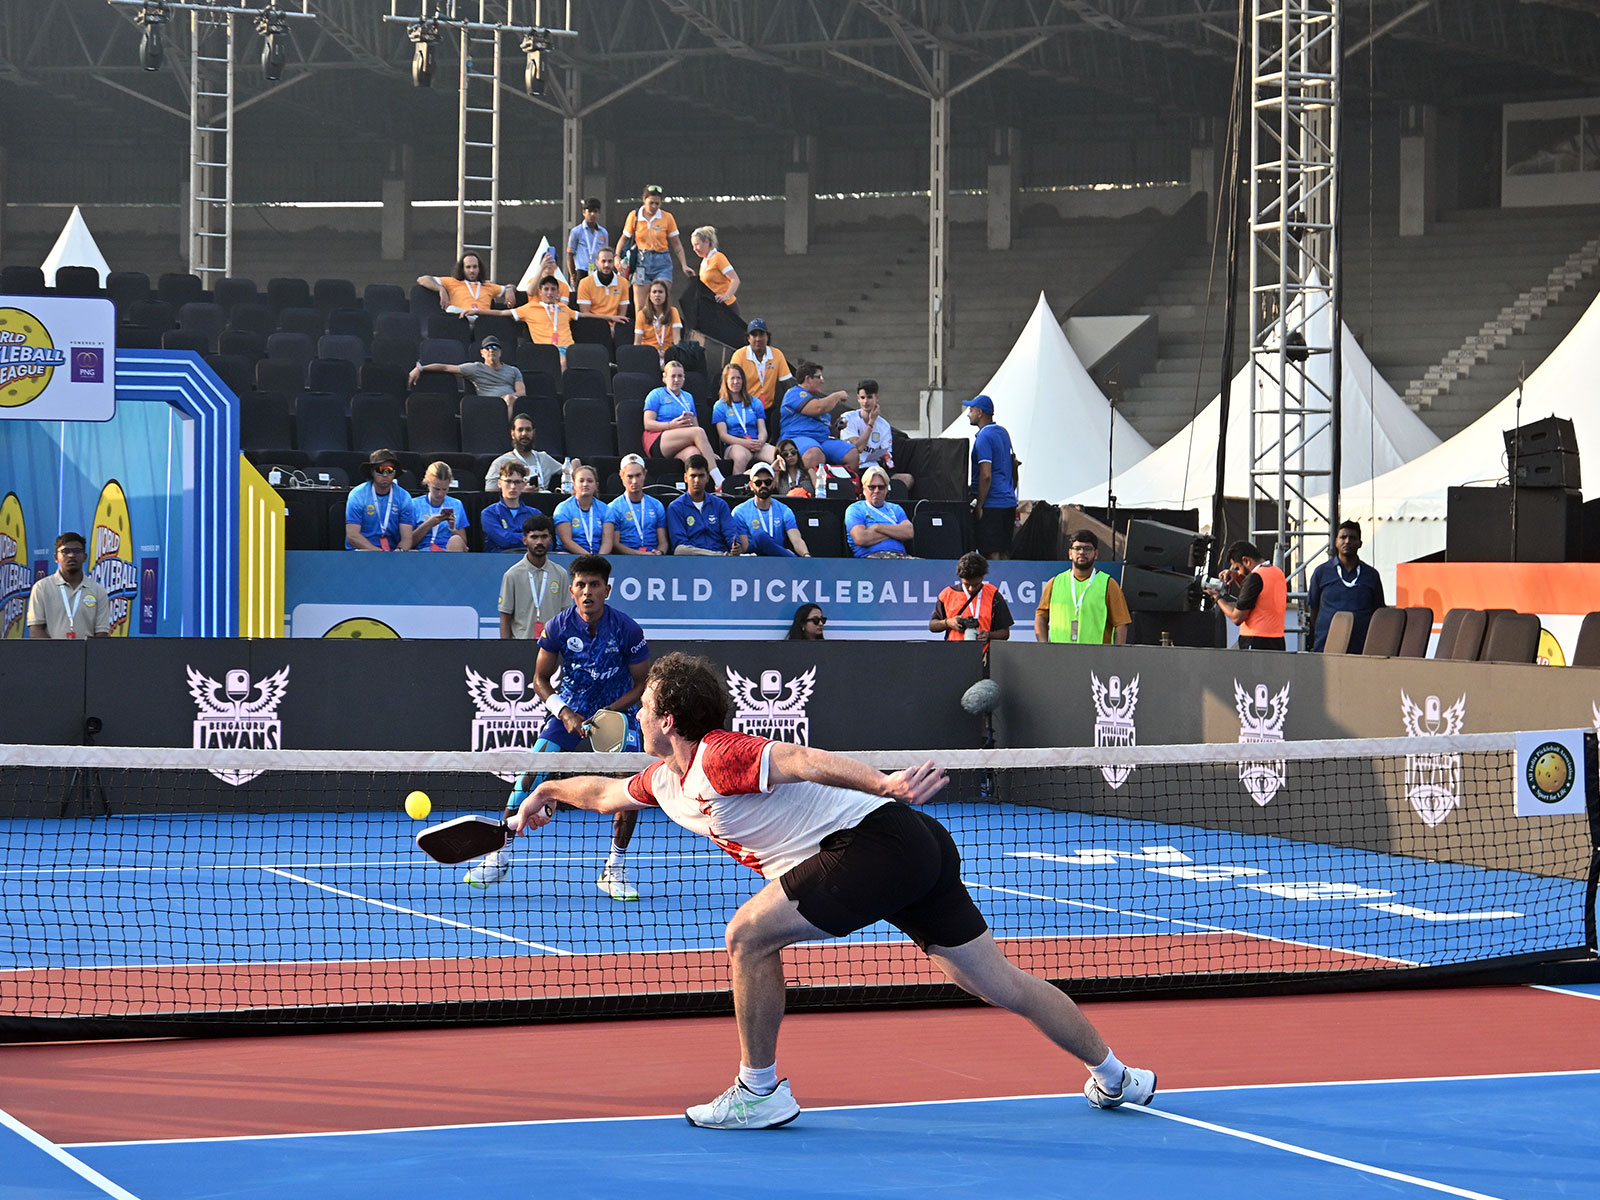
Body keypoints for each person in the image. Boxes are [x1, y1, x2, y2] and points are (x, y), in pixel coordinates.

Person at [506, 652, 1157, 1128]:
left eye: (643, 705)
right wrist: (546, 792)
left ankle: (758, 1092)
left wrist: (883, 783)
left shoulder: (719, 755)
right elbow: (601, 793)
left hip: (874, 842)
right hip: (911, 845)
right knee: (994, 982)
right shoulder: (666, 781)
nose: (636, 711)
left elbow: (799, 758)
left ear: (668, 717)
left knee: (748, 936)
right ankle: (1117, 1076)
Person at [475, 554, 652, 901]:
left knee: (628, 790)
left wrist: (609, 714)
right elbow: (540, 680)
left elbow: (641, 683)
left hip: (617, 713)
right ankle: (500, 853)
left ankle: (614, 867)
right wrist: (565, 713)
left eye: (595, 585)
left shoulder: (628, 629)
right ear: (571, 589)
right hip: (570, 707)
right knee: (530, 774)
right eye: (581, 585)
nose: (588, 592)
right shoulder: (557, 627)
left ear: (607, 590)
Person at [1035, 530, 1132, 645]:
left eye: (1087, 548)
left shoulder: (1109, 584)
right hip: (1059, 657)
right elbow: (1041, 616)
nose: (1082, 552)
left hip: (1097, 658)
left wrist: (1116, 657)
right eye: (1077, 548)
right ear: (1070, 553)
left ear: (1096, 554)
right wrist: (1044, 646)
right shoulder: (1055, 583)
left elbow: (1121, 624)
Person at [1306, 521, 1385, 653]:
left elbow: (1378, 610)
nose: (1347, 541)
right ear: (1336, 542)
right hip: (1326, 643)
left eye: (1352, 538)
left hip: (1361, 645)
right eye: (1343, 537)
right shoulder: (1322, 572)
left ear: (1360, 543)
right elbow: (1314, 608)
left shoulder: (1371, 575)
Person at [645, 359, 725, 488]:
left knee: (694, 454)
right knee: (698, 432)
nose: (676, 379)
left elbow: (695, 425)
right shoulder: (656, 394)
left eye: (680, 376)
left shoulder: (688, 397)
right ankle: (719, 479)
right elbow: (648, 424)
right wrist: (671, 425)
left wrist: (707, 451)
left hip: (682, 441)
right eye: (673, 376)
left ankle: (695, 491)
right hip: (659, 439)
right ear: (664, 378)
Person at [616, 184, 691, 319]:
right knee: (640, 306)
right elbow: (623, 238)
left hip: (662, 261)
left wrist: (684, 265)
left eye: (657, 203)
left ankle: (662, 336)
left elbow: (677, 245)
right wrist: (617, 256)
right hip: (641, 261)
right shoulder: (634, 216)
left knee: (661, 301)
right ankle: (641, 337)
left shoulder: (667, 217)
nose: (654, 207)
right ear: (644, 199)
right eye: (651, 203)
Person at [410, 336, 525, 416]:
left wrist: (507, 398)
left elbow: (521, 393)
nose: (491, 350)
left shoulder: (513, 370)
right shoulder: (475, 368)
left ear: (500, 352)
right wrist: (420, 368)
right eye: (488, 348)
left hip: (511, 405)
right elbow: (445, 367)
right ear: (482, 353)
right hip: (488, 406)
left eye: (495, 348)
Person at [1206, 539, 1287, 651]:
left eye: (1238, 568)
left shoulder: (1255, 578)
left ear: (1246, 560)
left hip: (1255, 640)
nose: (1238, 572)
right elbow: (1257, 594)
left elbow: (1237, 618)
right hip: (1277, 640)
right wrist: (1238, 577)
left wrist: (1217, 597)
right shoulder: (1277, 572)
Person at [26, 532, 110, 639]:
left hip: (86, 654)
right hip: (51, 654)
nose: (71, 555)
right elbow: (35, 629)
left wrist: (86, 654)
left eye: (77, 551)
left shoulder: (98, 590)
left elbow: (101, 632)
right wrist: (57, 653)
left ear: (85, 557)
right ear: (56, 557)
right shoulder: (41, 588)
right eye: (65, 551)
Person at [498, 513, 570, 640]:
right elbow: (505, 616)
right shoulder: (512, 575)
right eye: (534, 537)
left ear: (550, 539)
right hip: (521, 646)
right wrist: (506, 650)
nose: (539, 542)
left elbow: (566, 614)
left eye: (544, 537)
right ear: (525, 540)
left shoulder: (560, 573)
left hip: (553, 646)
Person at [781, 361, 859, 476]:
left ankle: (838, 487)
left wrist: (838, 427)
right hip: (796, 437)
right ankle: (806, 489)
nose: (822, 381)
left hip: (822, 439)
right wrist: (837, 395)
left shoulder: (817, 399)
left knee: (852, 454)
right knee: (814, 453)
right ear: (808, 378)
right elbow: (818, 408)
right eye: (819, 377)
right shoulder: (794, 393)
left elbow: (827, 428)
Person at [964, 394, 1016, 561]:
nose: (968, 414)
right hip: (1008, 501)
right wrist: (1010, 489)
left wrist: (980, 504)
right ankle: (1005, 585)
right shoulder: (1003, 433)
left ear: (979, 412)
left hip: (992, 503)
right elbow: (1014, 464)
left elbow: (986, 475)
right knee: (1004, 550)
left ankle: (992, 585)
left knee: (991, 550)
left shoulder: (984, 437)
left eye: (971, 410)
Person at [680, 225, 747, 348]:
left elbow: (735, 279)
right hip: (714, 309)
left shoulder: (718, 258)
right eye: (693, 246)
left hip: (727, 307)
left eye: (697, 245)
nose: (694, 249)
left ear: (707, 242)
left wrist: (726, 295)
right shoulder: (704, 262)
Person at [842, 380, 913, 495]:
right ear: (858, 398)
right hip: (855, 469)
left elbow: (887, 454)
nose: (865, 402)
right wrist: (871, 423)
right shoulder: (848, 418)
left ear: (877, 398)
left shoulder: (884, 425)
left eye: (869, 397)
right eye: (863, 397)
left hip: (875, 468)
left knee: (907, 479)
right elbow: (858, 447)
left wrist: (887, 461)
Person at [931, 552, 1012, 643]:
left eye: (976, 584)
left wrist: (989, 635)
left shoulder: (994, 595)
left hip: (983, 654)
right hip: (953, 653)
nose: (971, 588)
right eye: (967, 584)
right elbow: (932, 625)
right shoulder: (947, 594)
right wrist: (947, 623)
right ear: (960, 578)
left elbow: (1005, 633)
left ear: (983, 577)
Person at [667, 455, 741, 555]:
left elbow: (731, 532)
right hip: (693, 559)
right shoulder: (675, 507)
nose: (697, 480)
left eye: (701, 476)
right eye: (693, 476)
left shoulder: (720, 505)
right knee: (680, 550)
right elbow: (679, 542)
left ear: (707, 478)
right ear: (685, 478)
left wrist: (735, 545)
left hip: (720, 555)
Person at [730, 319, 795, 433]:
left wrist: (792, 407)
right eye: (754, 335)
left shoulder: (777, 354)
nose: (758, 339)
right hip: (745, 408)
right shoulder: (739, 355)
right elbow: (732, 385)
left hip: (768, 410)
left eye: (761, 334)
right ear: (748, 338)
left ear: (767, 337)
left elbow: (787, 385)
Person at [732, 462, 810, 557]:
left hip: (778, 560)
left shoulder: (784, 510)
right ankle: (793, 560)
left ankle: (794, 560)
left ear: (773, 483)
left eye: (767, 482)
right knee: (760, 537)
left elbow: (796, 539)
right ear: (751, 486)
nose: (763, 485)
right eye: (758, 483)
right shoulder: (740, 511)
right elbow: (744, 548)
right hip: (753, 560)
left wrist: (806, 556)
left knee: (761, 538)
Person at [712, 363, 777, 477]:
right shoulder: (720, 405)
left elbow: (762, 429)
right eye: (732, 378)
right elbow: (723, 435)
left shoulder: (755, 402)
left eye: (739, 378)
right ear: (726, 381)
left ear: (743, 381)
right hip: (735, 444)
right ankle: (737, 491)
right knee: (741, 456)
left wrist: (761, 441)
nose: (736, 382)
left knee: (778, 456)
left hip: (756, 443)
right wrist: (745, 443)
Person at [344, 449, 414, 551]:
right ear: (372, 471)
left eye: (389, 470)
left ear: (395, 473)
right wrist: (378, 552)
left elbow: (407, 538)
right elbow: (352, 536)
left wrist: (399, 551)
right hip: (362, 551)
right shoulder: (357, 495)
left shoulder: (404, 497)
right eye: (380, 470)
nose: (385, 474)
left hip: (392, 553)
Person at [483, 414, 566, 493]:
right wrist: (518, 491)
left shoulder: (543, 458)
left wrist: (574, 462)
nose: (524, 434)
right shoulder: (501, 462)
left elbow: (568, 470)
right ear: (512, 434)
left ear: (533, 432)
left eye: (528, 429)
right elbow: (491, 493)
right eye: (520, 430)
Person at [846, 465, 914, 559]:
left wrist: (877, 527)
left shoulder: (896, 508)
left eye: (881, 487)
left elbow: (909, 532)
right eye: (871, 487)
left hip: (901, 558)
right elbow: (861, 538)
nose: (876, 491)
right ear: (864, 489)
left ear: (886, 489)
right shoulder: (855, 509)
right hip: (871, 558)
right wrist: (895, 533)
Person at [606, 453, 668, 556]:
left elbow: (663, 542)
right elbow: (615, 544)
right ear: (622, 477)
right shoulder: (613, 508)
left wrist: (660, 552)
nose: (634, 481)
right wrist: (639, 554)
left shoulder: (657, 505)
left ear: (644, 475)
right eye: (630, 477)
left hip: (654, 559)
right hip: (626, 559)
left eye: (638, 475)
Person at [511, 275, 575, 365]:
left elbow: (584, 315)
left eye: (553, 289)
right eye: (546, 289)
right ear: (540, 292)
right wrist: (483, 311)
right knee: (562, 362)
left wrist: (602, 316)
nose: (549, 293)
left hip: (569, 348)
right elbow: (501, 313)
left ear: (557, 292)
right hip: (547, 350)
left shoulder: (563, 308)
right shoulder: (530, 308)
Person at [416, 252, 503, 317]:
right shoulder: (452, 282)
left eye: (475, 267)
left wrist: (510, 289)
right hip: (460, 321)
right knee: (451, 310)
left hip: (483, 322)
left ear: (480, 268)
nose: (472, 270)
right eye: (468, 267)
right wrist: (440, 289)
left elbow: (511, 289)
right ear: (462, 269)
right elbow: (422, 279)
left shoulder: (488, 286)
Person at [575, 246, 631, 345]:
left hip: (616, 324)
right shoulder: (585, 283)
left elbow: (622, 312)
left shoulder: (623, 282)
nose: (606, 265)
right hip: (593, 324)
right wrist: (609, 320)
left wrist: (614, 326)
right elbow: (585, 313)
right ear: (597, 262)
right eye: (603, 261)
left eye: (610, 261)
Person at [408, 461, 469, 552]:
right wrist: (428, 524)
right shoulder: (414, 504)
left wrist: (453, 528)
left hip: (450, 550)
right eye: (436, 489)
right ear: (428, 483)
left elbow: (463, 542)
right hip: (424, 551)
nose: (440, 494)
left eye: (445, 489)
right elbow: (408, 542)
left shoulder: (457, 504)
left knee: (455, 540)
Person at [553, 463, 611, 555]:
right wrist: (589, 558)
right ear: (574, 484)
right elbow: (566, 542)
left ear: (596, 485)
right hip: (569, 555)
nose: (585, 484)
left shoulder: (605, 509)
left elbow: (607, 542)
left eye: (590, 481)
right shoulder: (563, 508)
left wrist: (600, 559)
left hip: (599, 558)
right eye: (581, 481)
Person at [481, 461, 537, 553]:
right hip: (498, 561)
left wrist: (513, 535)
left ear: (523, 484)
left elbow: (544, 542)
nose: (513, 486)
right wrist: (530, 538)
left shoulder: (534, 514)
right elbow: (504, 540)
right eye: (508, 481)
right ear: (499, 483)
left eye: (517, 482)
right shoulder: (489, 513)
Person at [634, 279, 682, 364]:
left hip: (668, 354)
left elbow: (677, 340)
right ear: (649, 295)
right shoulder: (642, 314)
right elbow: (637, 343)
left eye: (660, 292)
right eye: (654, 292)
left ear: (666, 295)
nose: (657, 295)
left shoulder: (673, 311)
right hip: (648, 354)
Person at [565, 198, 609, 283]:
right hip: (582, 271)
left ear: (599, 213)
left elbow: (606, 254)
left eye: (595, 211)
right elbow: (570, 254)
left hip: (598, 271)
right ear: (584, 212)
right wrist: (573, 274)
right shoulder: (576, 232)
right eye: (590, 211)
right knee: (582, 296)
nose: (593, 214)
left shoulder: (603, 233)